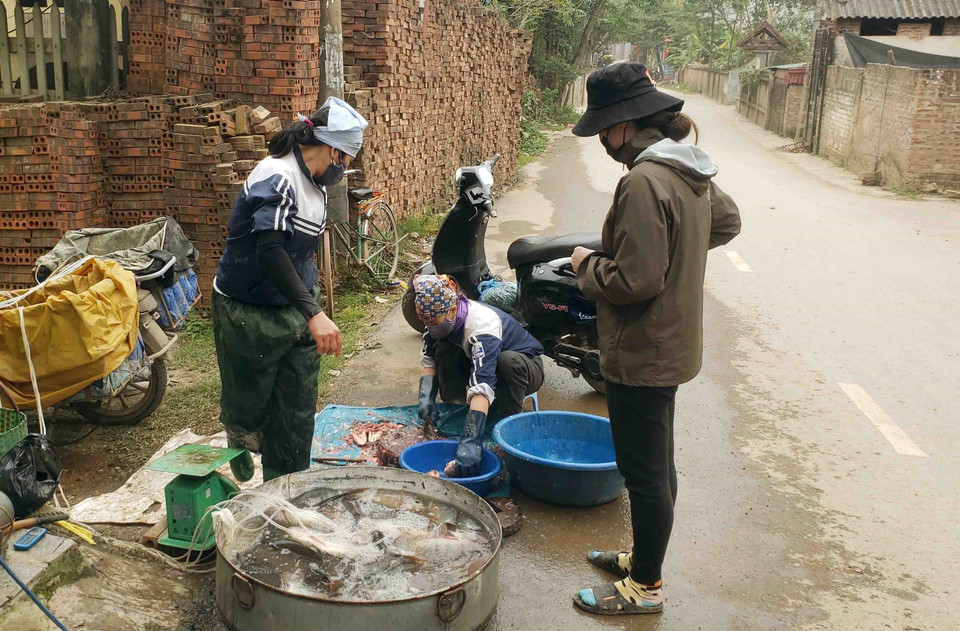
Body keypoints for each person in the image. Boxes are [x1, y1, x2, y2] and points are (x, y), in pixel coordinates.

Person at [568, 62, 741, 615]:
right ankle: (643, 559)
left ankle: (645, 589)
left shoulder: (644, 178)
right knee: (656, 465)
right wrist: (679, 248)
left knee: (644, 473)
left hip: (643, 349)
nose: (601, 140)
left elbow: (634, 281)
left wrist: (585, 266)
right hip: (670, 343)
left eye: (603, 129)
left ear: (624, 125)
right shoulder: (686, 167)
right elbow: (726, 222)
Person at [212, 97, 368, 482]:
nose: (346, 169)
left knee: (297, 405)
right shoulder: (277, 176)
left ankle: (287, 486)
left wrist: (309, 303)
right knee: (250, 396)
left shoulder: (315, 185)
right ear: (333, 150)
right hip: (247, 306)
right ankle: (240, 433)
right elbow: (270, 250)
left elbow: (300, 253)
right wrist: (315, 314)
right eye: (347, 160)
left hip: (293, 307)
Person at [414, 275, 545, 477]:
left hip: (524, 367)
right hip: (478, 361)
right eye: (426, 322)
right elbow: (429, 359)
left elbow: (482, 385)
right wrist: (426, 398)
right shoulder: (436, 317)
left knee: (507, 361)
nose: (431, 327)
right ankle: (456, 408)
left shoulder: (483, 326)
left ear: (452, 309)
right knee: (443, 346)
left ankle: (506, 421)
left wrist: (470, 441)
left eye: (434, 321)